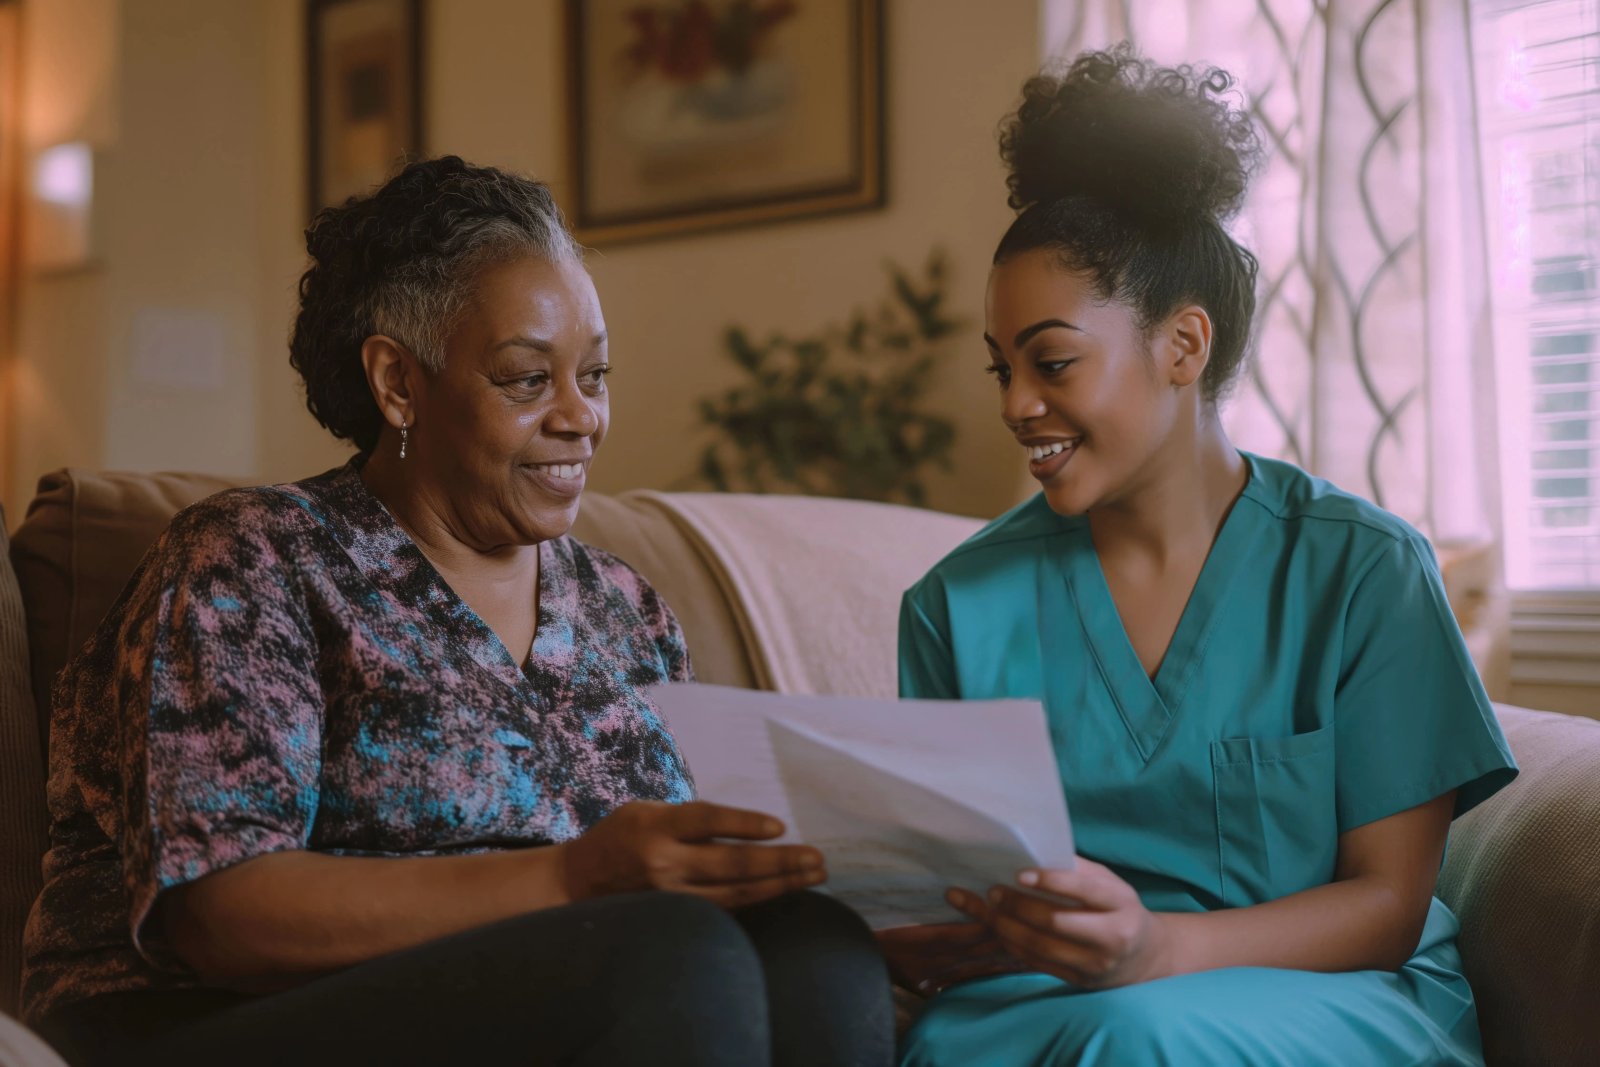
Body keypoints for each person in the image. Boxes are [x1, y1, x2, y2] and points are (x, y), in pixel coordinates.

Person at [21, 157, 892, 1067]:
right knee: (675, 957)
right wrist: (572, 877)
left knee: (817, 950)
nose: (581, 417)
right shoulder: (254, 556)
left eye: (594, 375)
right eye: (526, 380)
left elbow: (691, 879)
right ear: (399, 383)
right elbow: (218, 913)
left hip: (557, 994)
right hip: (203, 1019)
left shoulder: (627, 613)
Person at [881, 48, 1518, 1065]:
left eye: (1051, 362)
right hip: (1048, 1000)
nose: (1012, 404)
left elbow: (1389, 904)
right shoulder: (956, 604)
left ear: (1183, 346)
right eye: (1002, 369)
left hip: (1332, 994)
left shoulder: (1363, 571)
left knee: (1130, 1039)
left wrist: (1155, 947)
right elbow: (942, 899)